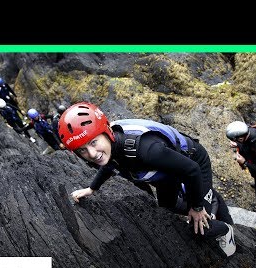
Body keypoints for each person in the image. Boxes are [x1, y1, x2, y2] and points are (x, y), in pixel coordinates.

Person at [58, 102, 236, 257]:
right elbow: (109, 165)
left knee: (201, 228)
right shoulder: (110, 147)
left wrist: (197, 208)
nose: (92, 154)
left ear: (106, 132)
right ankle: (205, 198)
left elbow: (192, 170)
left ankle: (226, 229)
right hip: (166, 171)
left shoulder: (145, 150)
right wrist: (92, 189)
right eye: (82, 150)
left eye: (93, 142)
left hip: (193, 163)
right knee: (168, 207)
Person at [226, 121, 256, 239]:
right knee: (255, 175)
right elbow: (244, 146)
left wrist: (245, 163)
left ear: (241, 138)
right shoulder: (245, 132)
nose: (235, 141)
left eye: (236, 140)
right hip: (254, 161)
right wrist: (236, 145)